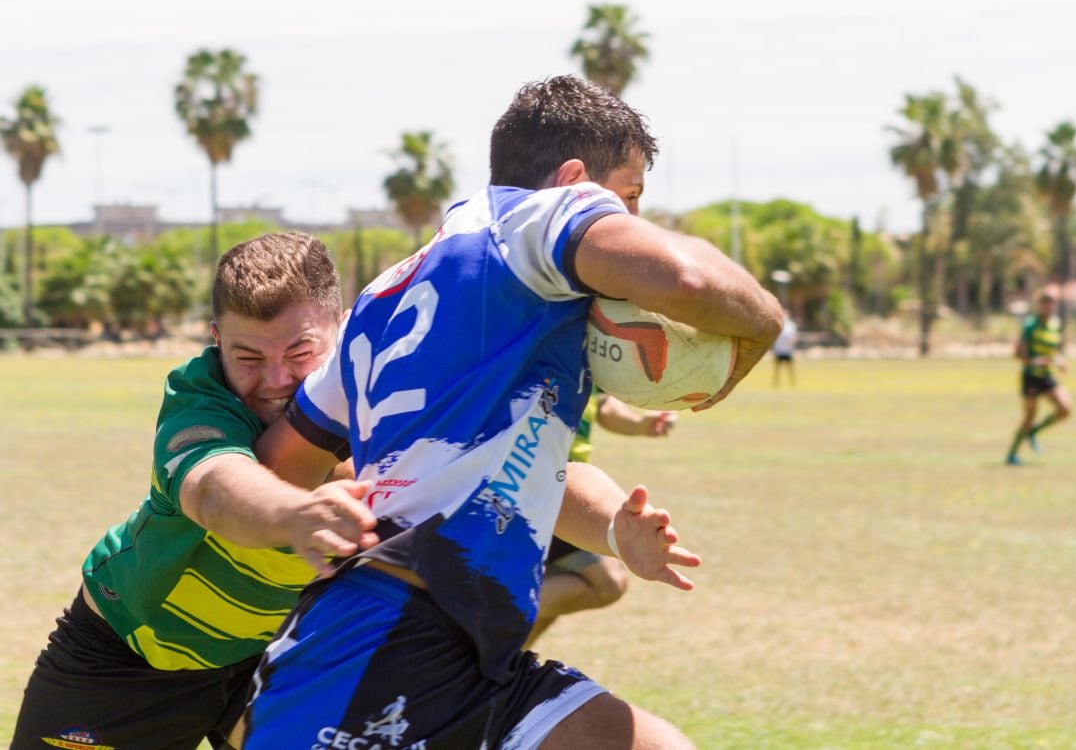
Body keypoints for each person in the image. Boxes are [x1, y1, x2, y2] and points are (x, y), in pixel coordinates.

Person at [243, 75, 783, 749]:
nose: (631, 223)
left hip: (472, 648)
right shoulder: (534, 221)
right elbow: (686, 278)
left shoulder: (384, 297)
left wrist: (616, 533)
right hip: (380, 643)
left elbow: (282, 464)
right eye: (630, 198)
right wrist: (762, 326)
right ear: (576, 180)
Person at [13, 232, 380, 749]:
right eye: (247, 357)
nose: (277, 380)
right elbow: (214, 488)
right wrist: (296, 511)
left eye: (300, 351)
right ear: (216, 340)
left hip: (269, 658)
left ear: (341, 330)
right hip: (126, 658)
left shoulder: (381, 390)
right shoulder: (198, 399)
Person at [528, 391, 677, 646]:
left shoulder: (591, 357)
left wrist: (640, 424)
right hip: (535, 479)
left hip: (565, 484)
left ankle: (494, 670)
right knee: (607, 583)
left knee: (562, 583)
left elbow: (602, 404)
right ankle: (469, 613)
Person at [1005, 291, 1071, 466]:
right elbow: (1017, 353)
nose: (1048, 307)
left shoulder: (1055, 325)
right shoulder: (1030, 326)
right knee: (1029, 416)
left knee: (1065, 409)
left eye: (1051, 304)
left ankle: (1034, 432)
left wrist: (1059, 360)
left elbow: (1056, 350)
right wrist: (1034, 360)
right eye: (1045, 304)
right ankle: (1012, 455)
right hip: (1031, 377)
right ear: (1039, 305)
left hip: (1047, 376)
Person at [772, 308, 798, 386]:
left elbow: (794, 337)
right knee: (777, 369)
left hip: (788, 350)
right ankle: (776, 383)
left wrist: (792, 341)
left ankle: (792, 382)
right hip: (779, 350)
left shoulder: (791, 325)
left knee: (790, 368)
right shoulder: (777, 324)